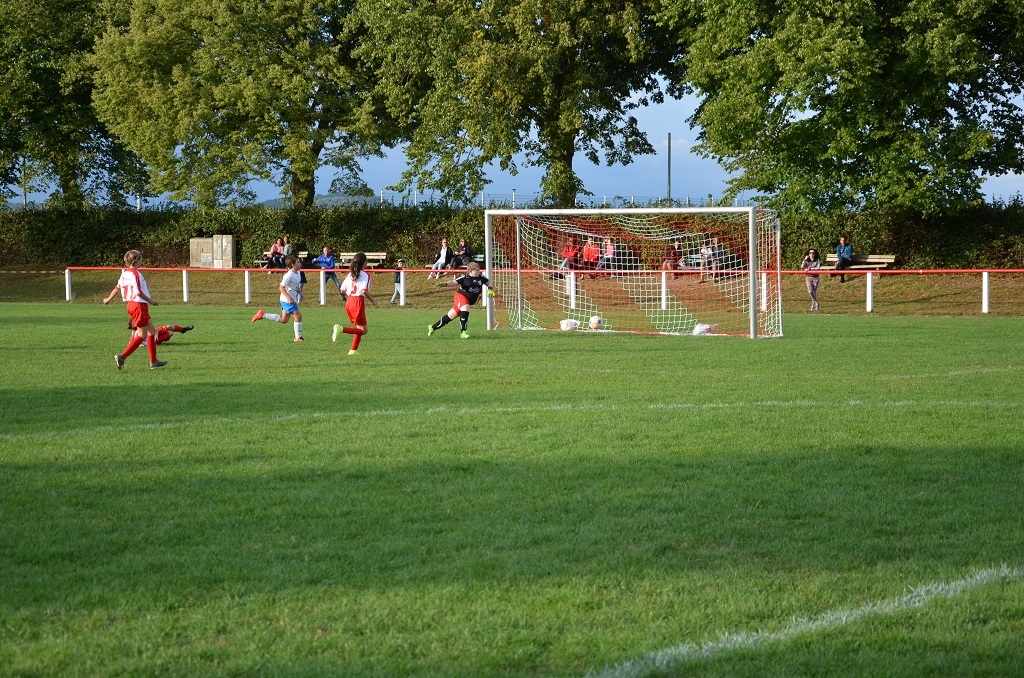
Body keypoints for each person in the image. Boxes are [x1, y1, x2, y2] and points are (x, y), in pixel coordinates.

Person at [103, 249, 168, 369]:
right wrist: (151, 301)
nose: (142, 261)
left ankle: (154, 361)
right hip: (139, 305)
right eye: (141, 259)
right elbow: (139, 292)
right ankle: (122, 356)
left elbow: (117, 287)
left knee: (152, 332)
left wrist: (108, 299)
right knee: (142, 335)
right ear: (136, 261)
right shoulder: (136, 274)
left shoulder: (124, 273)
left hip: (131, 305)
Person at [428, 261, 489, 339]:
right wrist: (445, 284)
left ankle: (432, 327)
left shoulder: (481, 278)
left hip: (469, 300)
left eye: (479, 269)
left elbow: (489, 282)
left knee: (450, 316)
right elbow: (454, 282)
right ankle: (463, 332)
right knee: (465, 308)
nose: (479, 271)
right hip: (461, 296)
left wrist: (490, 289)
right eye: (477, 270)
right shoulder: (464, 277)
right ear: (471, 271)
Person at [332, 252, 378, 355]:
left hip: (349, 301)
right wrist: (373, 300)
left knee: (359, 328)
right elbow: (364, 291)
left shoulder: (350, 274)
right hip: (358, 302)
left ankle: (353, 350)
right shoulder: (366, 275)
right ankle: (341, 329)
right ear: (365, 262)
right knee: (363, 331)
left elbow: (342, 290)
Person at [251, 255, 305, 342]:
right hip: (287, 300)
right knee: (298, 316)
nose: (300, 264)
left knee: (284, 320)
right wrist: (289, 297)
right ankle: (298, 337)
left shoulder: (298, 272)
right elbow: (281, 287)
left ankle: (263, 315)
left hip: (289, 299)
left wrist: (300, 293)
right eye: (298, 262)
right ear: (293, 265)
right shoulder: (289, 275)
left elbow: (295, 286)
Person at [128, 320, 194, 346]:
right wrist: (141, 345)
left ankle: (183, 329)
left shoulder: (142, 324)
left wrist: (156, 332)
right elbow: (131, 343)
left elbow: (150, 328)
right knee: (170, 333)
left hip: (154, 332)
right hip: (153, 340)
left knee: (169, 326)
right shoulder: (135, 332)